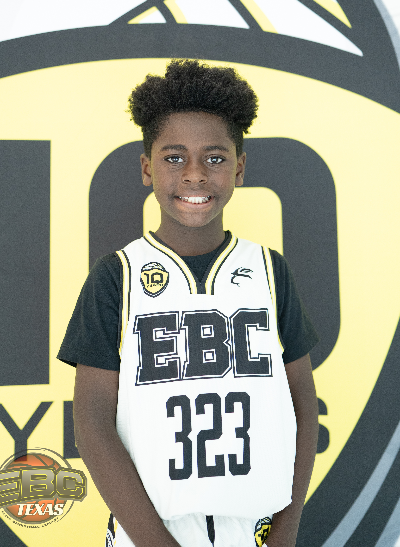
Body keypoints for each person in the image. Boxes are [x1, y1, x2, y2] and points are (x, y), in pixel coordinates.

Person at [57, 59, 319, 547]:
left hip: (256, 533)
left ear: (239, 168)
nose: (195, 174)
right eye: (174, 158)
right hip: (148, 534)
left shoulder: (269, 271)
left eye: (215, 158)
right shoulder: (116, 277)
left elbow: (301, 402)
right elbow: (92, 424)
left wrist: (286, 531)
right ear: (147, 168)